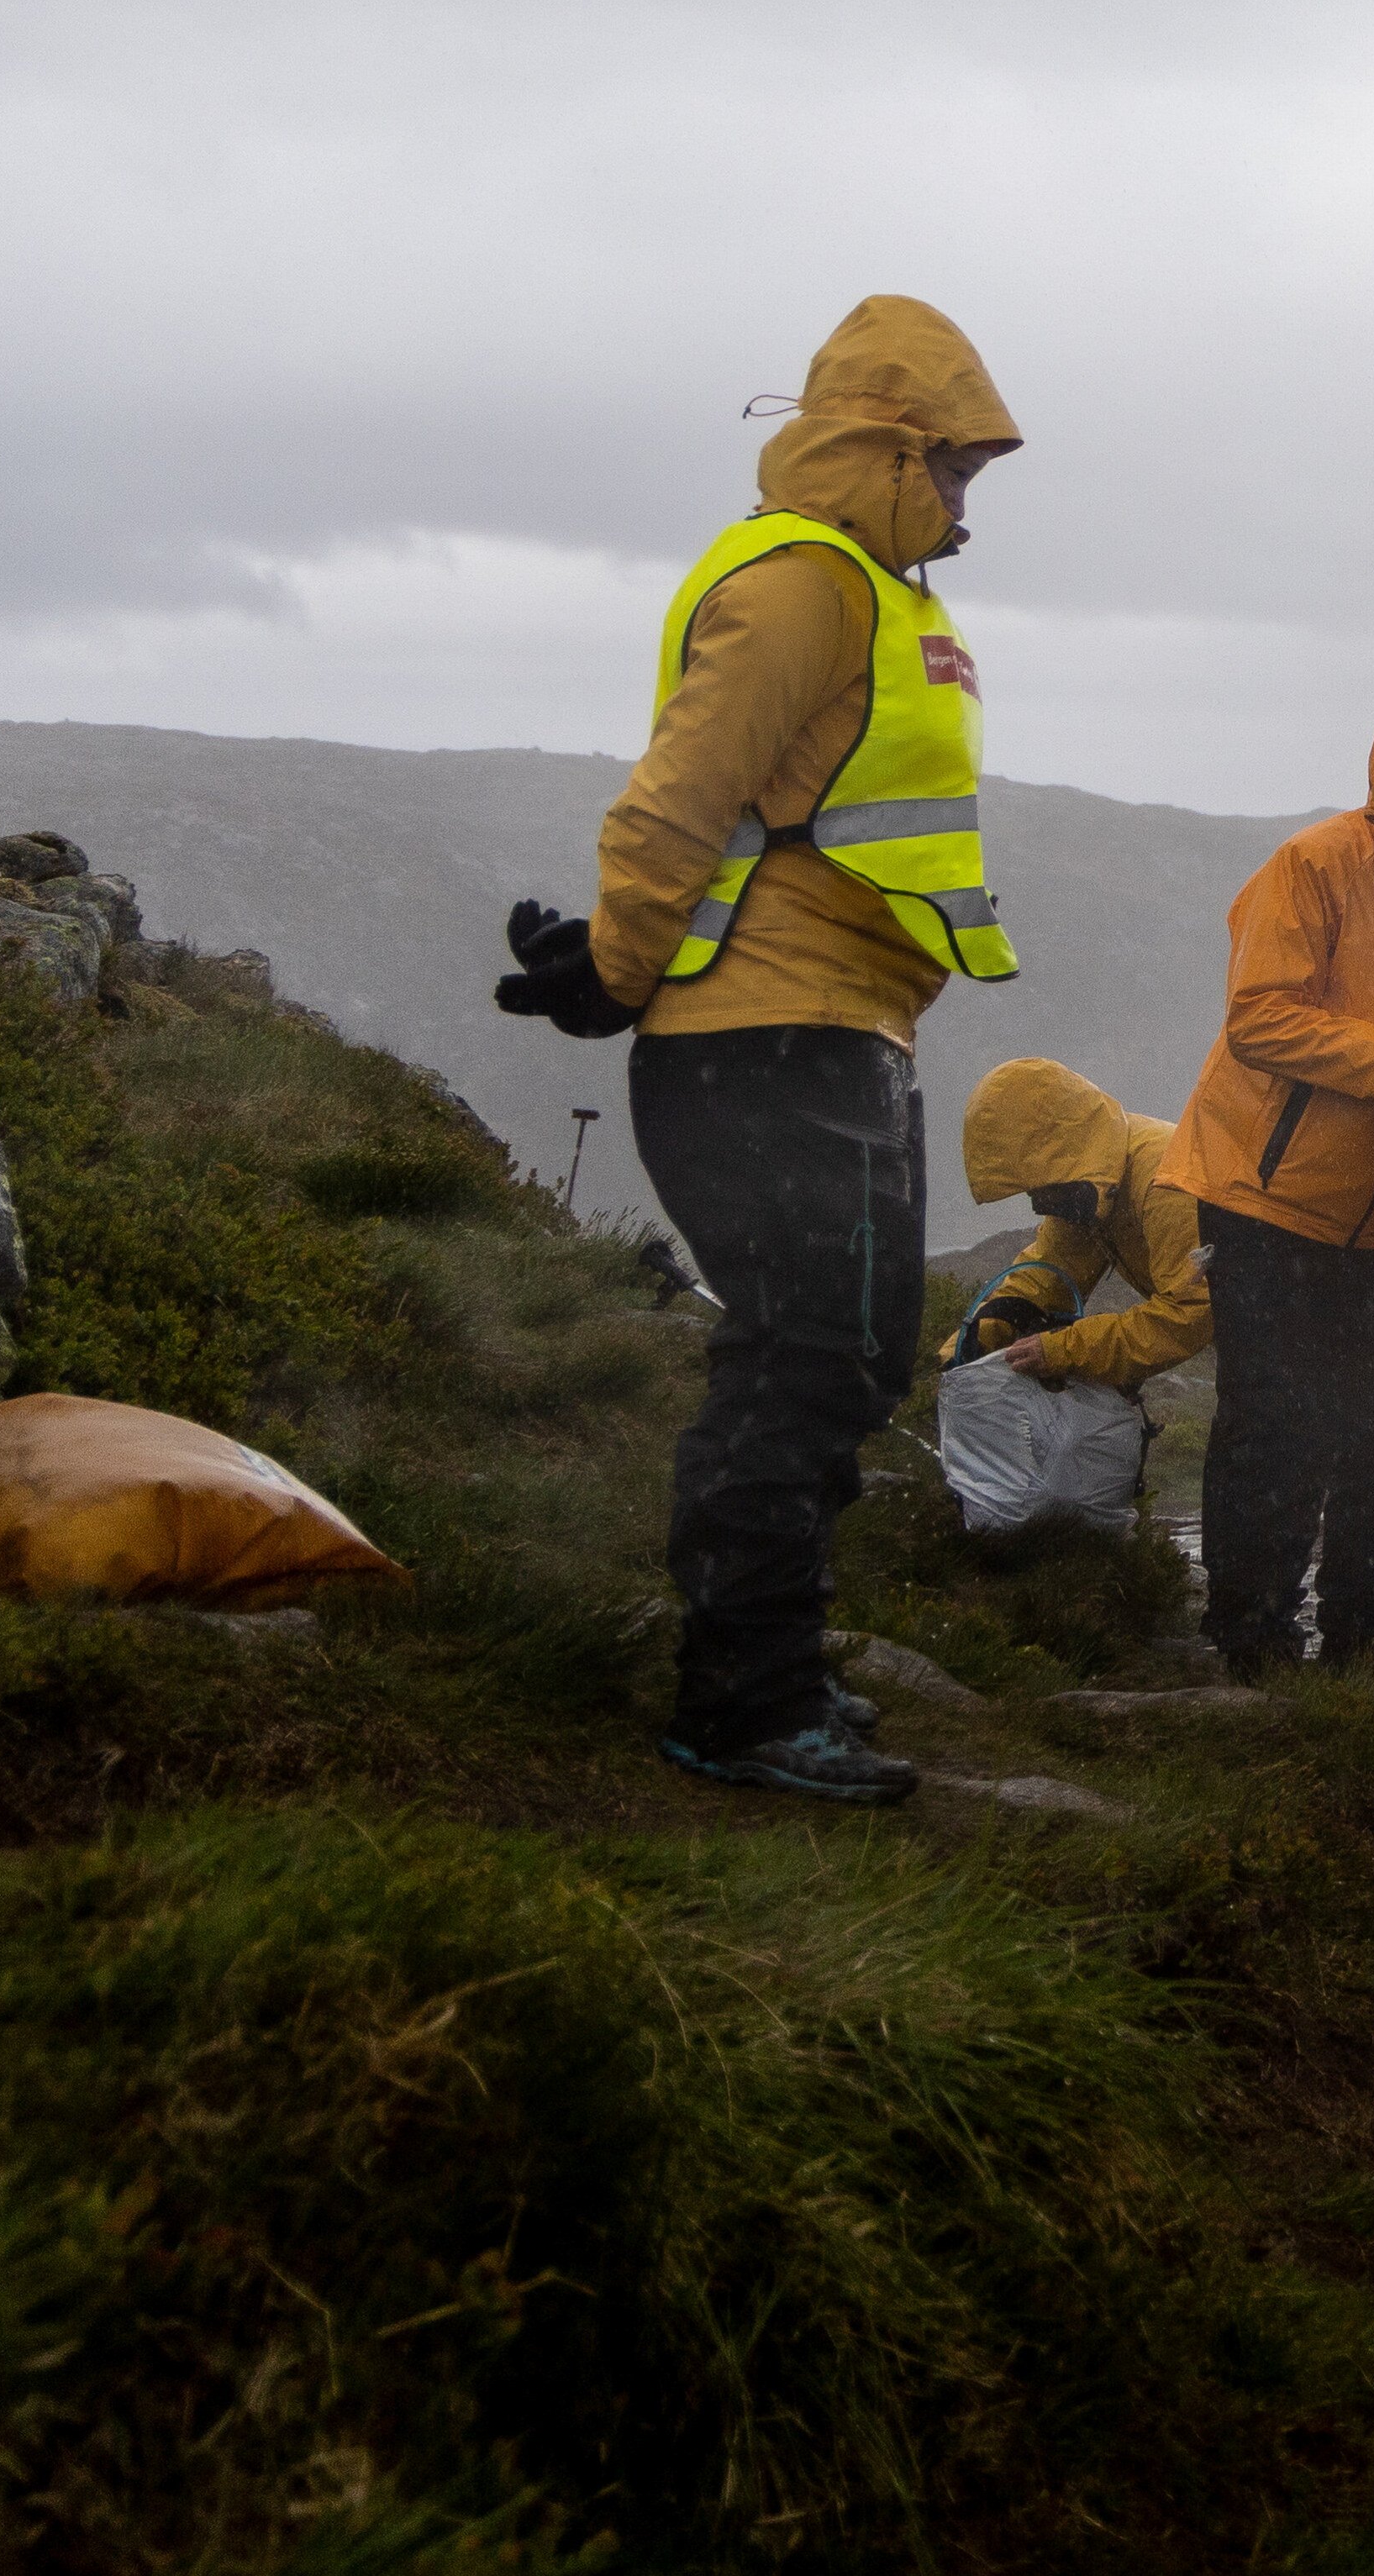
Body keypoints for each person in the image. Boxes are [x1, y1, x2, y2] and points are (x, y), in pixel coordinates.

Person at [492, 293, 1024, 1806]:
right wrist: (616, 966)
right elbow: (680, 797)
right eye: (957, 475)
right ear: (887, 447)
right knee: (799, 1357)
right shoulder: (801, 586)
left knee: (850, 1358)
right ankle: (740, 1702)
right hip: (759, 1039)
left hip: (838, 1035)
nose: (970, 516)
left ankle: (776, 1666)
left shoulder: (872, 588)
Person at [1154, 693, 1374, 1678]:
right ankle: (1252, 1641)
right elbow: (1261, 1020)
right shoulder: (1311, 867)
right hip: (1264, 1194)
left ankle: (1364, 1649)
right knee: (1270, 1426)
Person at [940, 1055, 1214, 1397]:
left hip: (1288, 1332)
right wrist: (960, 1353)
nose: (1039, 1204)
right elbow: (1043, 1280)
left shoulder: (1166, 1182)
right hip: (1265, 1338)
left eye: (1042, 1188)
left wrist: (1061, 1351)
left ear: (1063, 1158)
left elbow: (1191, 1313)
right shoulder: (1094, 1180)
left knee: (1258, 1440)